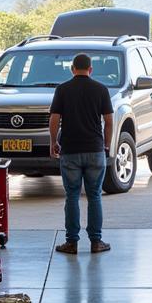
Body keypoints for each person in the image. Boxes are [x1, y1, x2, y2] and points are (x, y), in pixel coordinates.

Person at [49, 53, 114, 254]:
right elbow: (109, 121)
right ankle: (96, 242)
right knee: (95, 196)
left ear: (72, 69)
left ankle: (71, 242)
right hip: (95, 150)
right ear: (91, 69)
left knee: (72, 196)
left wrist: (53, 142)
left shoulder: (63, 89)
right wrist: (106, 145)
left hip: (70, 150)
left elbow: (54, 119)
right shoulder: (101, 89)